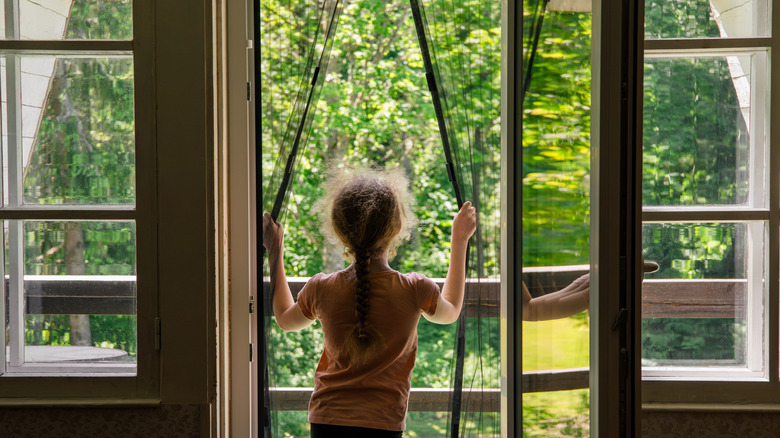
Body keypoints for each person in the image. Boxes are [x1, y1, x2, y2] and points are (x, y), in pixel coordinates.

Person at [263, 166, 477, 437]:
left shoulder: (322, 287)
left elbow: (285, 319)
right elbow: (451, 311)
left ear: (339, 230)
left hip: (327, 419)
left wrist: (275, 250)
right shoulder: (415, 289)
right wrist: (459, 240)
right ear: (397, 227)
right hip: (384, 421)